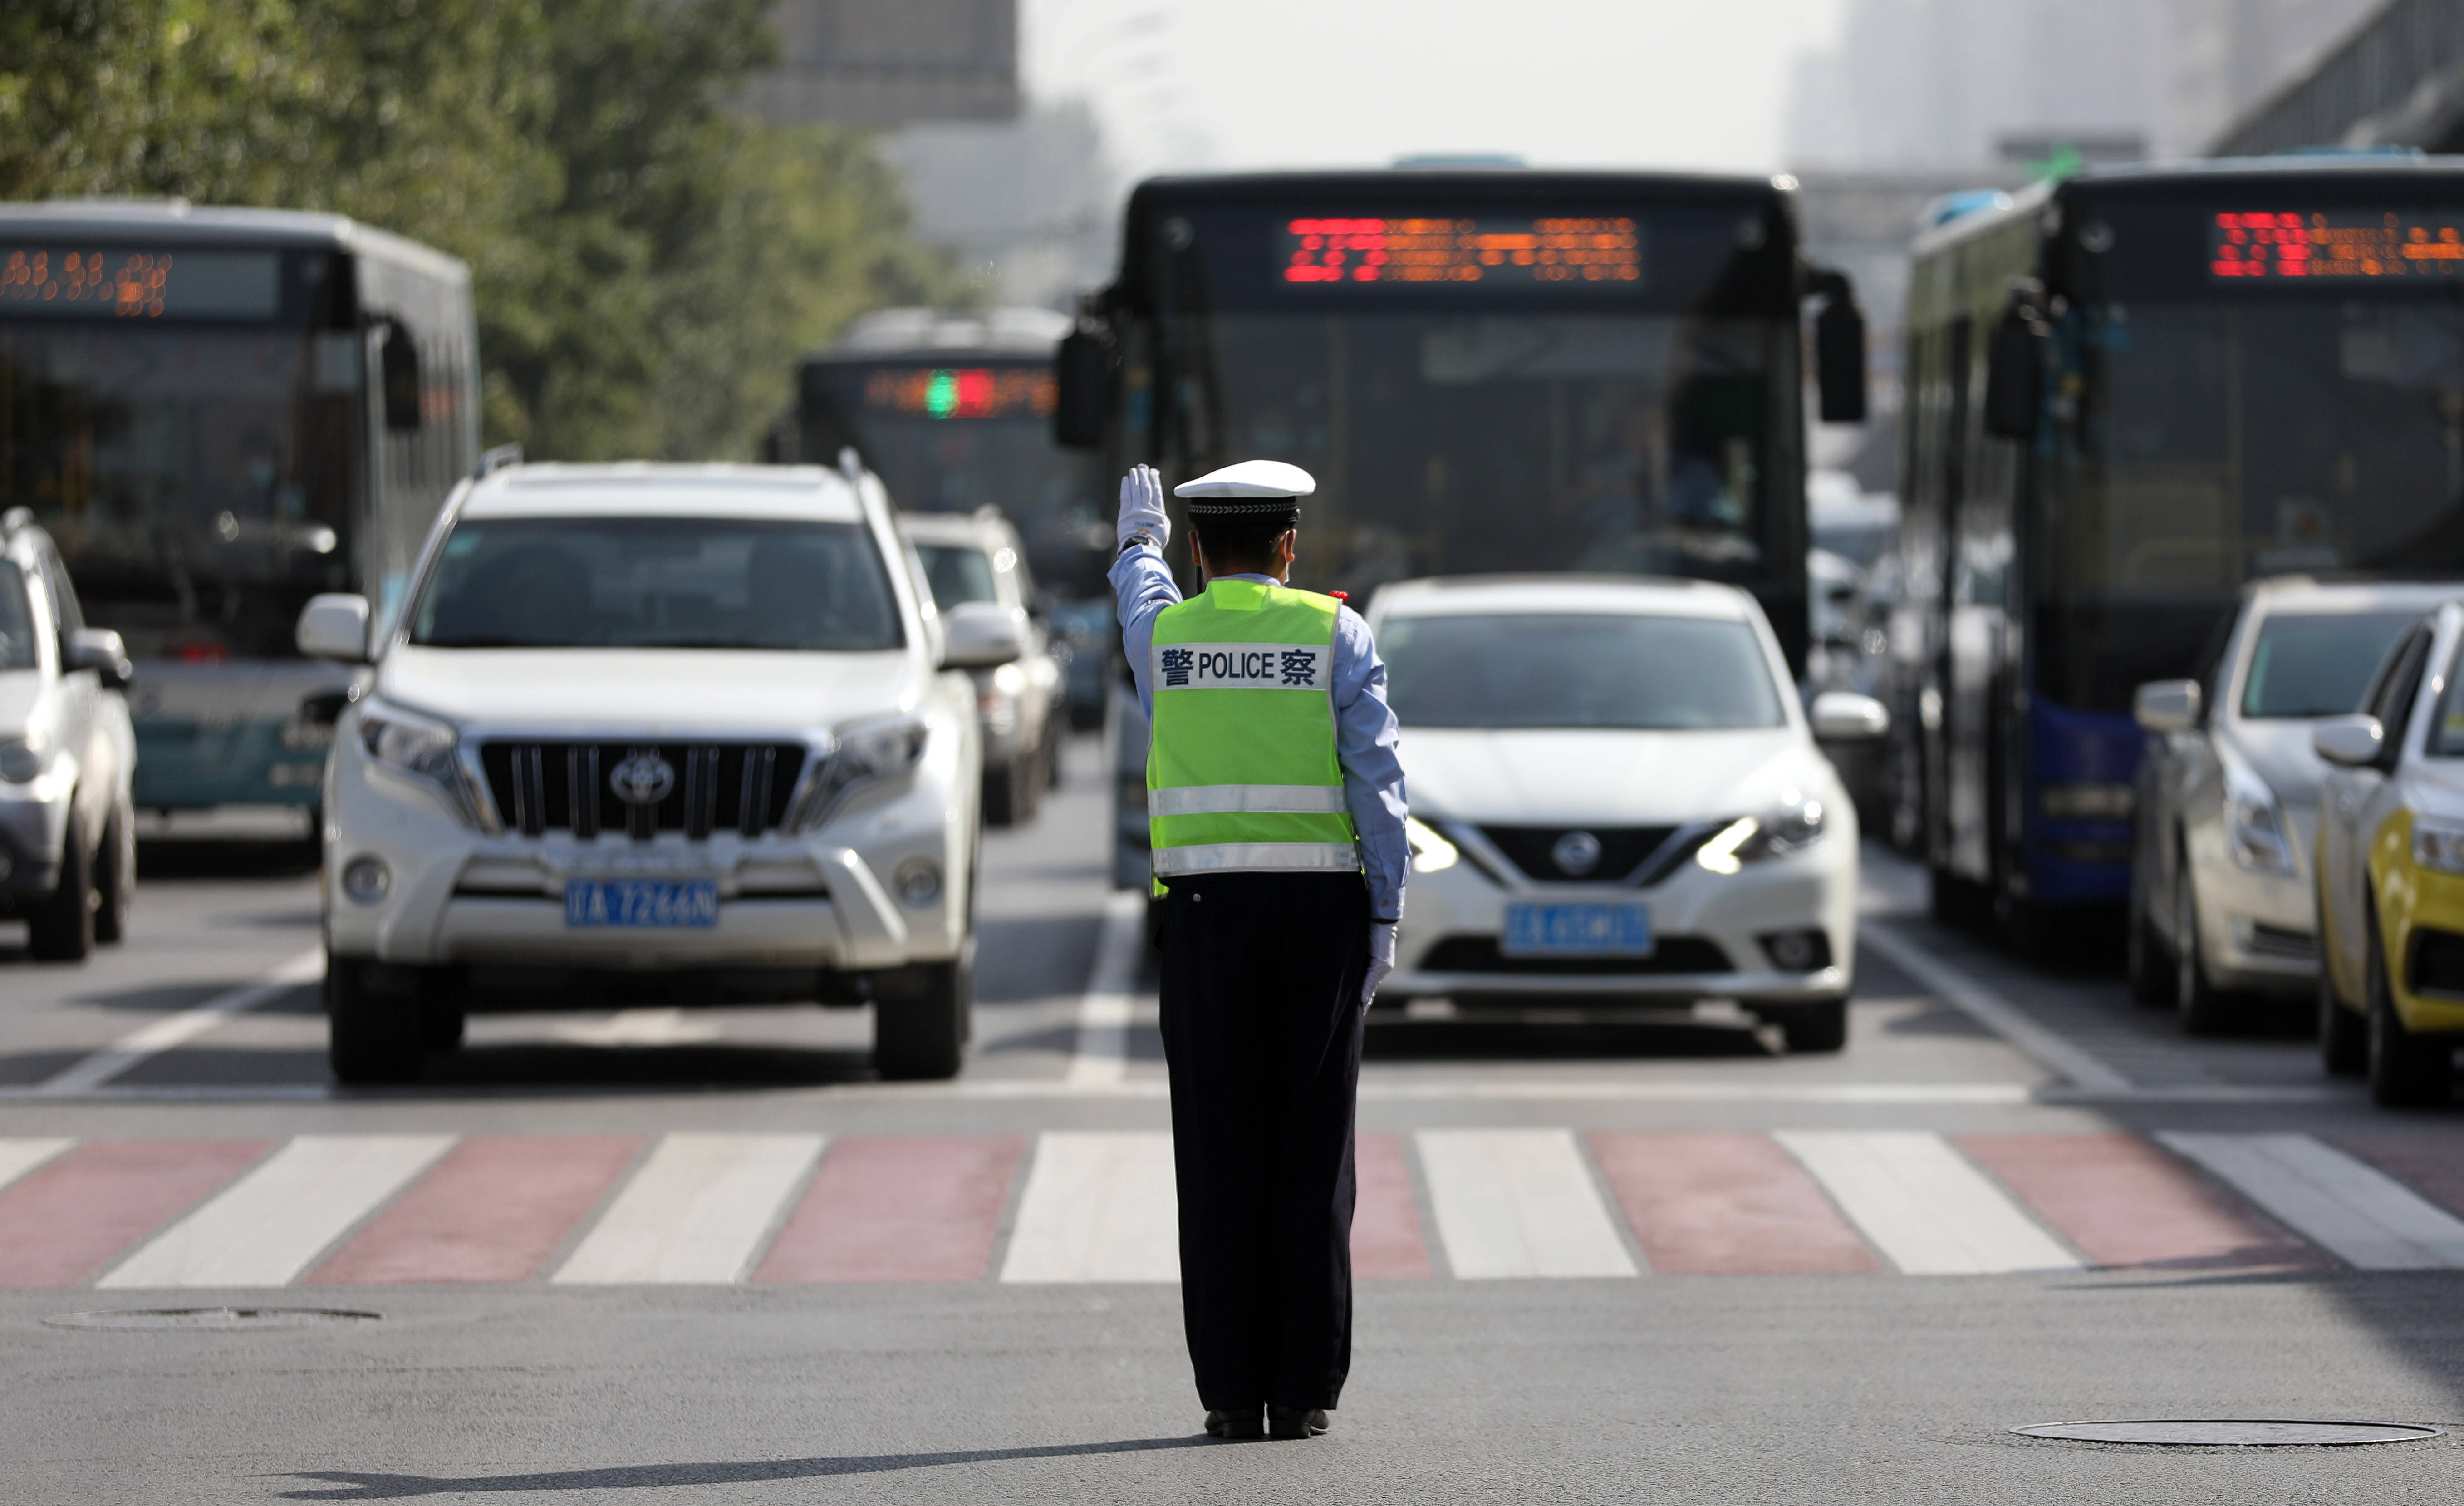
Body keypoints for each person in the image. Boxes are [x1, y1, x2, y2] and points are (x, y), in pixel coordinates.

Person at [1109, 460, 1408, 1442]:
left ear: (1201, 551)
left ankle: (1232, 1394)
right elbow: (1378, 782)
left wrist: (1134, 548)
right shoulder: (1334, 633)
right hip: (1320, 916)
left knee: (1218, 1148)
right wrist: (1384, 915)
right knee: (1313, 1150)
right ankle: (1306, 1388)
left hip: (1203, 921)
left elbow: (1141, 598)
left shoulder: (1168, 638)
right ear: (1290, 548)